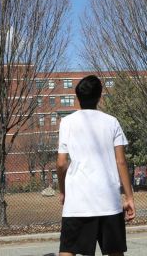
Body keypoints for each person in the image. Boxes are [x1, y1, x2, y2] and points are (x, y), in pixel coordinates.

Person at [56, 75, 135, 256]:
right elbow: (121, 161)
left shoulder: (67, 123)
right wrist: (129, 197)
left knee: (68, 250)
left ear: (78, 98)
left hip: (77, 201)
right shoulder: (112, 122)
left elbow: (61, 163)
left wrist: (63, 191)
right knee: (115, 251)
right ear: (100, 96)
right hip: (108, 199)